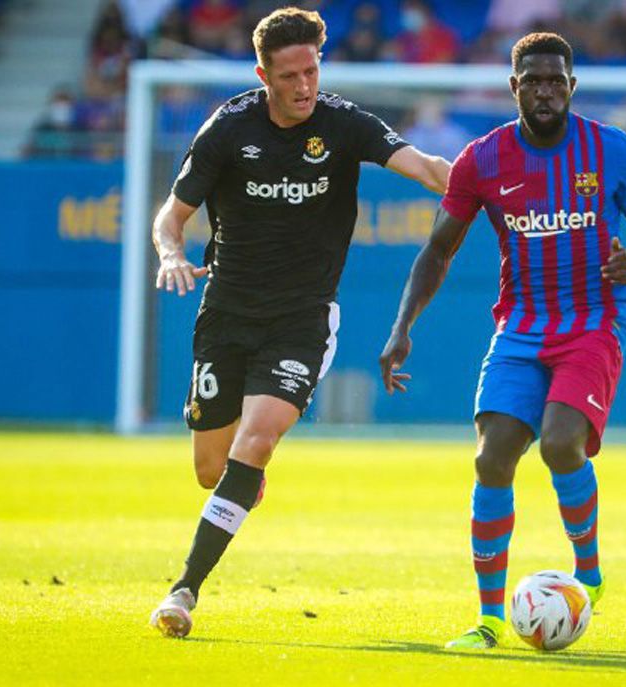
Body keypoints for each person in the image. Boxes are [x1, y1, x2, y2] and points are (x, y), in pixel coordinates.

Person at [147, 6, 450, 639]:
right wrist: (172, 253)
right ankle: (243, 486)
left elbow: (424, 167)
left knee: (255, 442)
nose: (304, 85)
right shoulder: (227, 130)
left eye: (311, 70)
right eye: (289, 75)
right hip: (225, 313)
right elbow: (170, 217)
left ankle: (184, 590)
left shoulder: (343, 124)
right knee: (213, 469)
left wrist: (496, 189)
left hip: (301, 318)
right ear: (264, 74)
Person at [379, 32, 626, 649]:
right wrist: (403, 328)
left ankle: (587, 571)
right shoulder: (480, 160)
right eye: (533, 81)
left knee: (562, 445)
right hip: (521, 326)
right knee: (491, 458)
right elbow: (437, 250)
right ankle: (487, 621)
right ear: (514, 87)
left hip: (594, 321)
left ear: (571, 86)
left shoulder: (610, 149)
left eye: (556, 81)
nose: (545, 91)